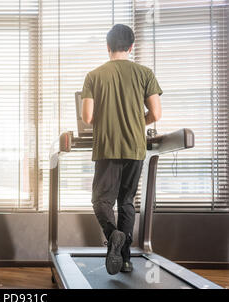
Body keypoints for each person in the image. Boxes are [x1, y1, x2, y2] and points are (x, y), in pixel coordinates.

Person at [81, 24, 162, 275]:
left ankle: (112, 234)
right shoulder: (144, 73)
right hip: (134, 147)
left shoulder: (94, 75)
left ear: (108, 47)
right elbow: (156, 113)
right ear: (131, 47)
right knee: (126, 202)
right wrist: (138, 123)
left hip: (107, 147)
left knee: (101, 200)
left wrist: (106, 121)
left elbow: (87, 117)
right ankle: (125, 259)